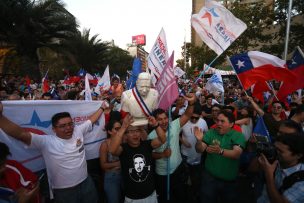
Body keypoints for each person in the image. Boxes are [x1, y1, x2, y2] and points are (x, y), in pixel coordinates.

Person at [0, 101, 107, 203]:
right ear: (54, 129)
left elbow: (91, 120)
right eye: (62, 126)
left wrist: (102, 107)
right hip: (64, 191)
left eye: (70, 124)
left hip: (86, 182)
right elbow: (21, 134)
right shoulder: (46, 142)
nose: (68, 128)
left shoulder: (78, 131)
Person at [148, 93, 196, 203]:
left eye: (165, 118)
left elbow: (187, 115)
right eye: (160, 119)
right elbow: (150, 154)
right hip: (163, 175)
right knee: (165, 199)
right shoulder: (150, 136)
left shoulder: (173, 125)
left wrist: (192, 102)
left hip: (178, 170)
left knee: (180, 196)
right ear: (154, 121)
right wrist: (162, 155)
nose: (164, 121)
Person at [109, 115, 166, 202]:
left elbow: (162, 139)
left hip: (150, 195)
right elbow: (112, 150)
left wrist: (156, 125)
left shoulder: (147, 145)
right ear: (126, 135)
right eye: (131, 131)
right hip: (132, 198)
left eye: (137, 131)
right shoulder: (123, 149)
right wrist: (123, 127)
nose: (135, 134)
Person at [195, 110, 246, 203]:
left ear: (231, 124)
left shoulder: (238, 136)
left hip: (229, 181)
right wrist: (198, 141)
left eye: (222, 121)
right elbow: (200, 149)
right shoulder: (211, 132)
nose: (218, 123)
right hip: (209, 178)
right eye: (217, 120)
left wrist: (220, 151)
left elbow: (236, 154)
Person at [257, 133, 304, 203]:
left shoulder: (301, 181)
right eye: (275, 148)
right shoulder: (276, 160)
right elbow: (251, 169)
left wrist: (269, 176)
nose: (276, 152)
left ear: (298, 155)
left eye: (280, 151)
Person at [180, 103, 208, 202]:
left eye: (197, 118)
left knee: (196, 178)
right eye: (192, 117)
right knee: (184, 178)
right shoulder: (183, 122)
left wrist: (201, 139)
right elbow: (176, 134)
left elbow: (206, 135)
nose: (194, 120)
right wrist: (183, 141)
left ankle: (195, 195)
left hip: (198, 155)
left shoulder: (203, 122)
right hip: (185, 155)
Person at [100, 120, 122, 203]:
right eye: (117, 129)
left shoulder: (125, 140)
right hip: (112, 177)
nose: (120, 131)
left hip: (125, 176)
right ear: (109, 131)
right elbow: (103, 165)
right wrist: (119, 163)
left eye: (121, 128)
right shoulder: (105, 145)